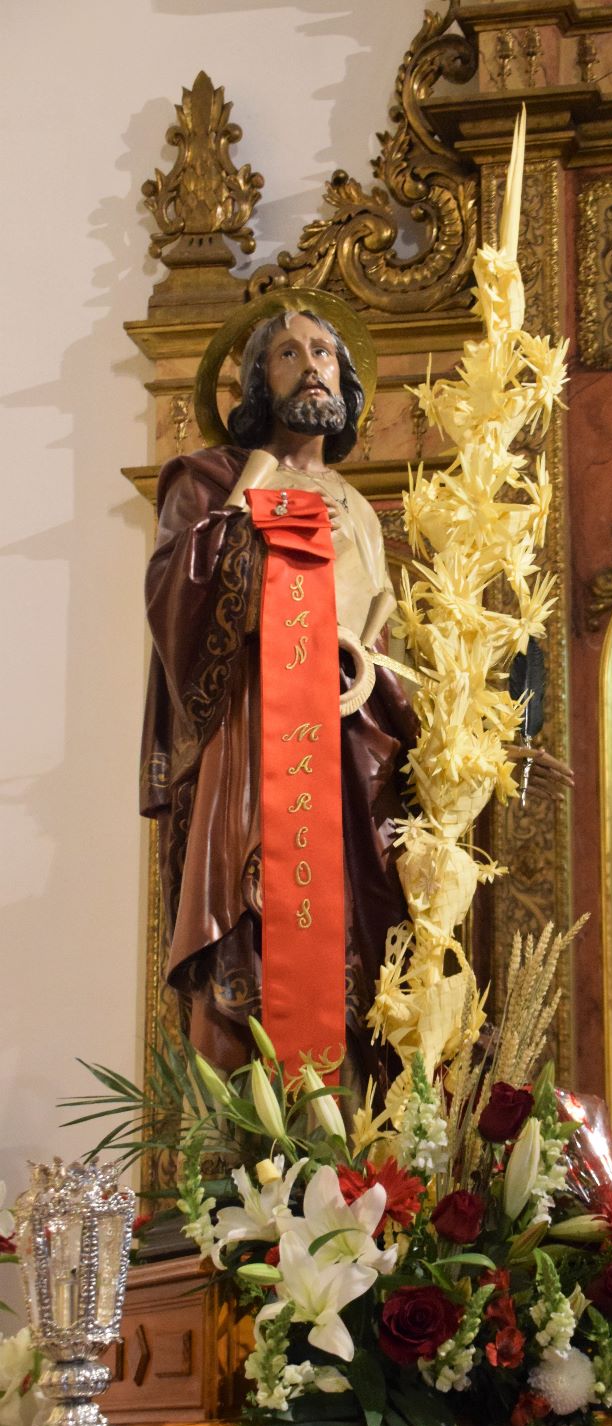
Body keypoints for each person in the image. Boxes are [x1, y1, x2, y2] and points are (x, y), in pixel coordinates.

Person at [141, 299, 419, 1081]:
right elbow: (176, 598)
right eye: (289, 353)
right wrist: (243, 508)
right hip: (254, 742)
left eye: (326, 352)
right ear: (259, 383)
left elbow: (379, 639)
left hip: (351, 749)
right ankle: (248, 1156)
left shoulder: (360, 509)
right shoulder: (210, 480)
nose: (313, 365)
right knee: (258, 925)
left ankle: (355, 1159)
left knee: (357, 939)